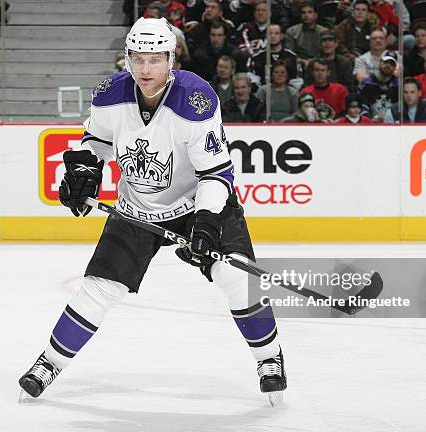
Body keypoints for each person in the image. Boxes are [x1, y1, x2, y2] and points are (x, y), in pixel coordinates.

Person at [18, 17, 286, 402]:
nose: (146, 69)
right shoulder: (110, 93)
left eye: (155, 59)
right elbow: (97, 141)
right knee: (98, 289)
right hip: (137, 209)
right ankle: (49, 362)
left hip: (199, 205)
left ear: (171, 59)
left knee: (236, 280)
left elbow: (216, 173)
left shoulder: (195, 98)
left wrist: (207, 223)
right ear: (126, 58)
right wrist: (84, 171)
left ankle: (269, 358)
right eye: (138, 58)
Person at [357, 50, 398, 122]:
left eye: (392, 64)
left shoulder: (398, 86)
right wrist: (369, 120)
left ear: (395, 68)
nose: (388, 66)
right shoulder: (367, 83)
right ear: (380, 63)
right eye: (385, 62)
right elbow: (362, 106)